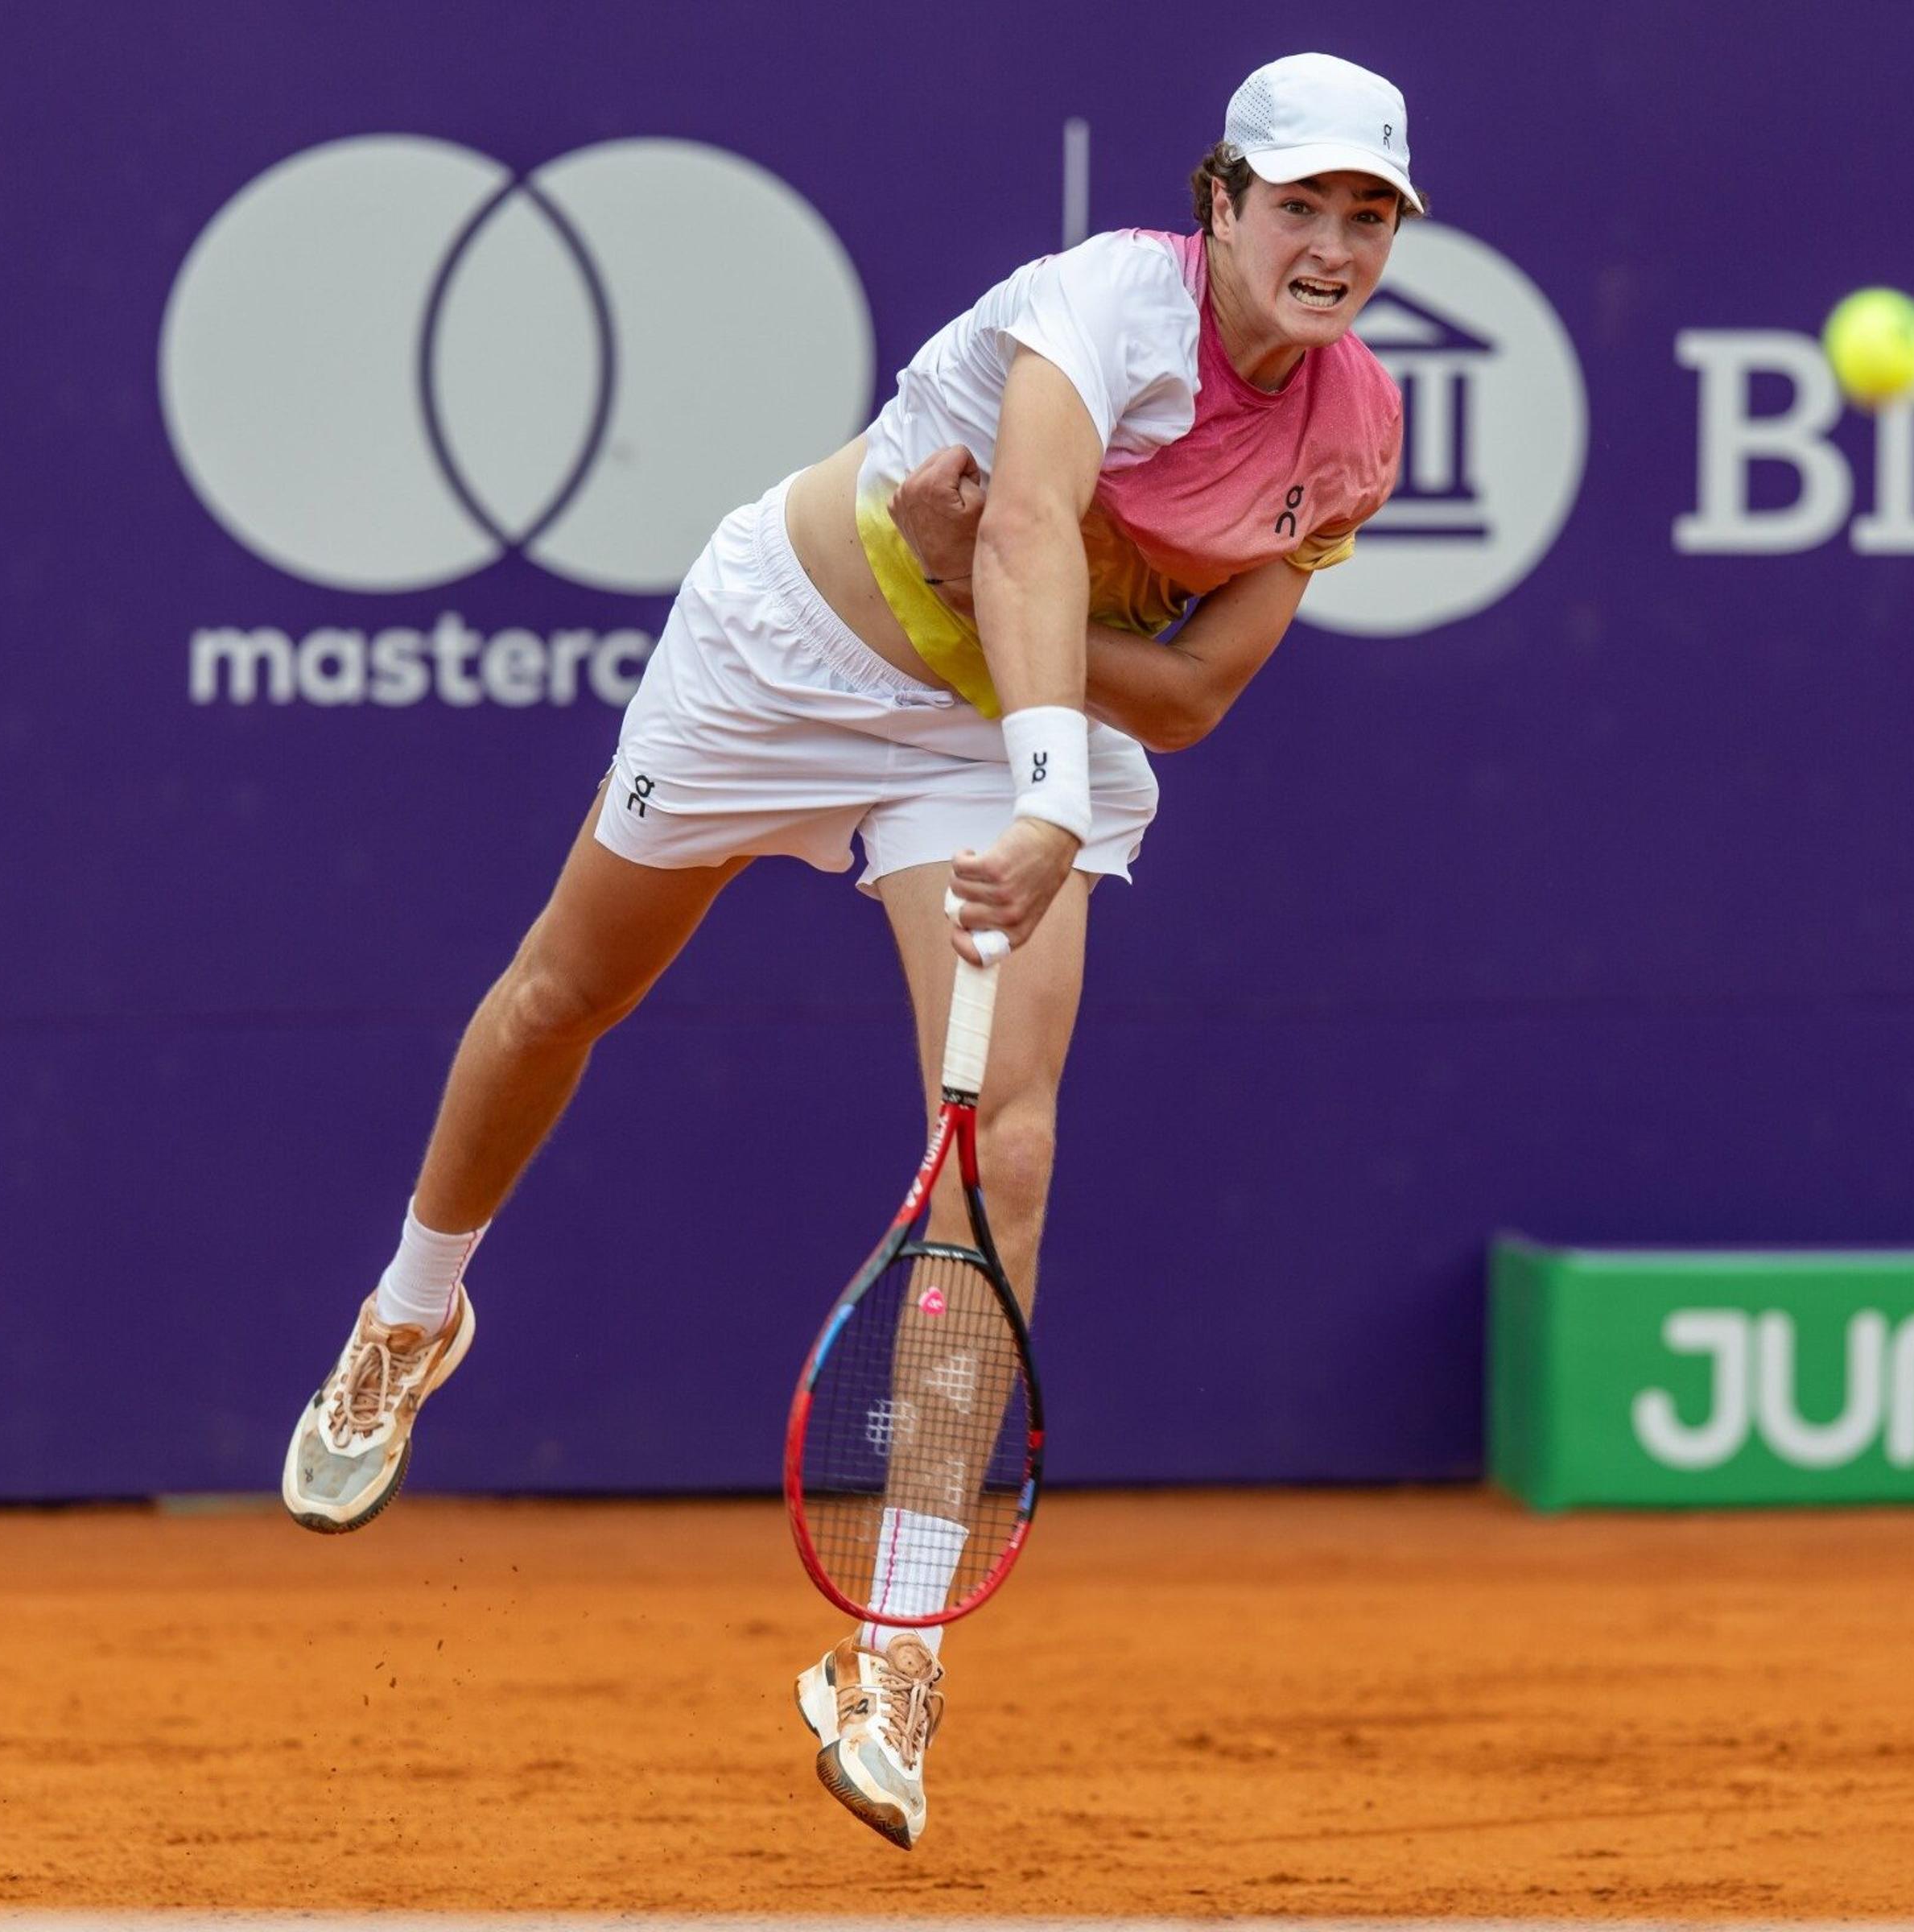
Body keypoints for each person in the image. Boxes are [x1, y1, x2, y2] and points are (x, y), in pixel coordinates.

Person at [280, 51, 1423, 1848]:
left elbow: (1195, 693)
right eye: (1300, 205)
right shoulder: (1099, 306)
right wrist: (1027, 701)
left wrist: (1021, 725)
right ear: (1220, 202)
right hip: (790, 661)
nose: (1334, 245)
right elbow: (1037, 520)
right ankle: (411, 1318)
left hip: (996, 736)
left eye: (1369, 215)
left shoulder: (1353, 430)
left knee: (1006, 1150)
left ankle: (897, 1640)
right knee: (569, 989)